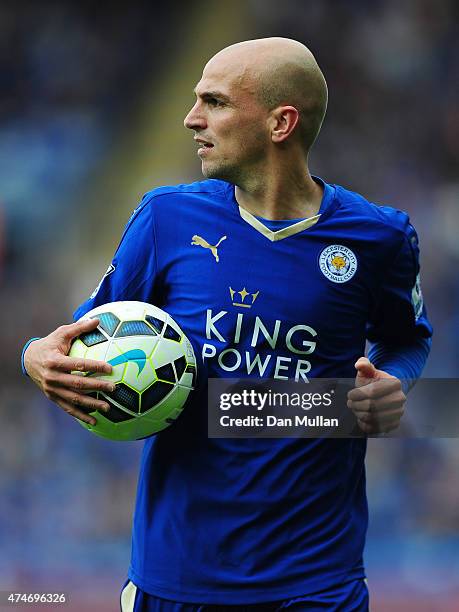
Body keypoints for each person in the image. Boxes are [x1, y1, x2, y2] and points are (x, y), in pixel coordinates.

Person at [22, 38, 432, 611]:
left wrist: (391, 382)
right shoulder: (166, 218)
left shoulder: (379, 239)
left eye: (213, 102)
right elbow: (78, 343)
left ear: (279, 123)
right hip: (176, 579)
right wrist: (35, 355)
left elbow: (409, 338)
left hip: (316, 584)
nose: (191, 120)